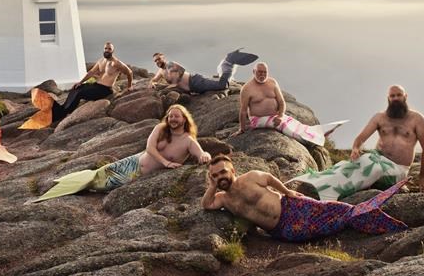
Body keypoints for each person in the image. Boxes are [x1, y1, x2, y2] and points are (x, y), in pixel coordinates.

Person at [202, 154, 407, 242]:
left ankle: (387, 221)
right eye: (216, 175)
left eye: (223, 172)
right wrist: (211, 187)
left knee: (340, 210)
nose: (220, 177)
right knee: (332, 227)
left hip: (293, 208)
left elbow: (271, 179)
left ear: (232, 170)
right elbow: (207, 205)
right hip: (282, 232)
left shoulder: (251, 177)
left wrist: (288, 193)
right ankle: (370, 219)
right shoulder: (223, 199)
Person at [34, 105, 210, 201]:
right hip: (132, 162)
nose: (172, 119)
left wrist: (205, 157)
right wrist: (166, 163)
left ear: (184, 119)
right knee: (98, 174)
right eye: (170, 116)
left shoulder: (188, 141)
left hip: (137, 174)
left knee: (100, 186)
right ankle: (61, 183)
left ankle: (65, 187)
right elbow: (150, 148)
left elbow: (202, 153)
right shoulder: (160, 128)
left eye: (176, 116)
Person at [291, 85, 424, 200]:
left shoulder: (417, 119)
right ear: (388, 98)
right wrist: (355, 149)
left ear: (405, 97)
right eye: (392, 96)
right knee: (350, 165)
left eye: (398, 95)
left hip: (398, 168)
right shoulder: (380, 117)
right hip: (376, 157)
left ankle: (331, 196)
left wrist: (422, 177)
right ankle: (315, 184)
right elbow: (360, 138)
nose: (395, 98)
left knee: (373, 168)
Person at [236, 62, 347, 146]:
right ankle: (310, 142)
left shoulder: (272, 82)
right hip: (258, 119)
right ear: (253, 72)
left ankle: (321, 132)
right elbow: (243, 110)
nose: (262, 75)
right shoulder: (247, 89)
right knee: (283, 125)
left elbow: (281, 102)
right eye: (260, 72)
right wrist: (242, 129)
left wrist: (280, 115)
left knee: (298, 125)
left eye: (265, 72)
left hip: (275, 115)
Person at [30, 42, 134, 128]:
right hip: (96, 85)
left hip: (105, 89)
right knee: (76, 88)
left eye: (109, 49)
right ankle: (62, 108)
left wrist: (129, 86)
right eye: (106, 48)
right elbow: (91, 73)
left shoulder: (116, 63)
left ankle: (64, 112)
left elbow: (129, 72)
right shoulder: (101, 61)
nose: (107, 50)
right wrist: (80, 82)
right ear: (103, 49)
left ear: (112, 51)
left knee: (80, 93)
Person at [151, 48, 258, 94]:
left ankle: (228, 61)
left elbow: (178, 79)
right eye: (155, 61)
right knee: (219, 83)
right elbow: (154, 79)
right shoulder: (161, 72)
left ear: (163, 58)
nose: (158, 61)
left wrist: (167, 87)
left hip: (195, 81)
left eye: (159, 59)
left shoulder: (171, 65)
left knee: (222, 85)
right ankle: (224, 68)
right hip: (194, 88)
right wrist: (153, 83)